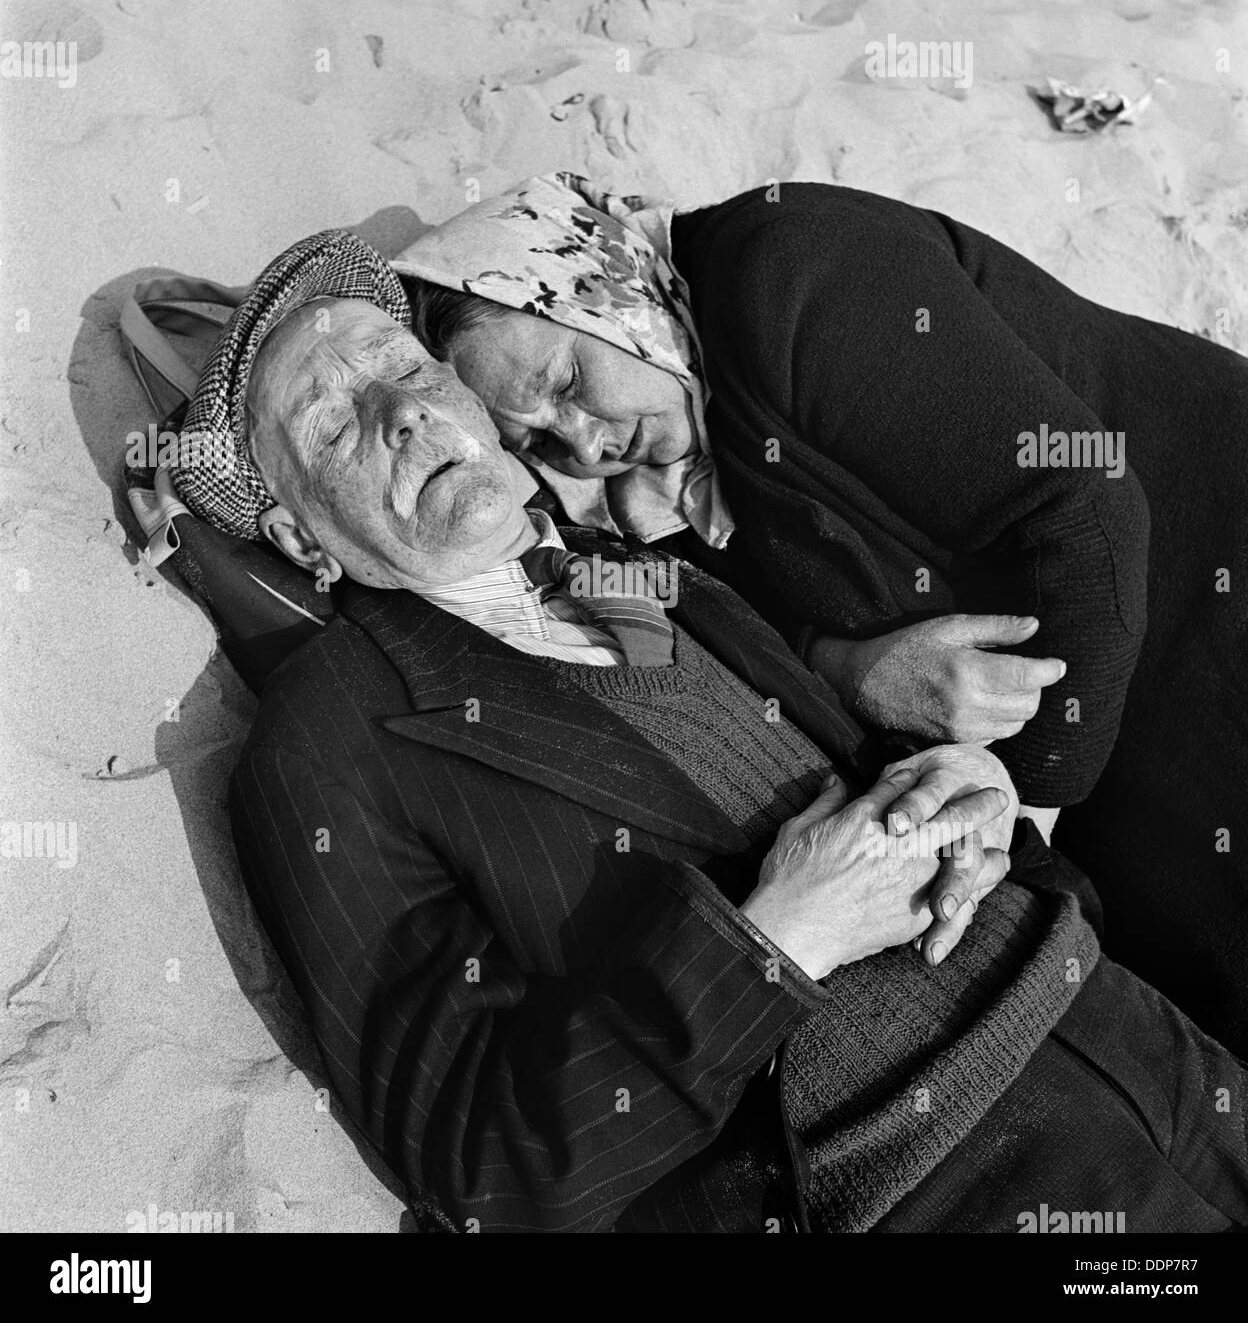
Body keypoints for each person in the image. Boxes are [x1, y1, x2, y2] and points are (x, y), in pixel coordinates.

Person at [168, 230, 1248, 1234]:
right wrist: (775, 941)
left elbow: (873, 776)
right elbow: (482, 1163)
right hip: (943, 1172)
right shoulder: (322, 748)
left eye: (404, 369)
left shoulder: (647, 578)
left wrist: (979, 800)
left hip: (1119, 1023)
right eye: (329, 425)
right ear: (300, 541)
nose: (399, 415)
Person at [394, 173, 1248, 1053]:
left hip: (1200, 563)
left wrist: (1015, 813)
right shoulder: (655, 487)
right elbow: (742, 633)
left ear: (598, 281)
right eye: (535, 436)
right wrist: (852, 669)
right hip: (1079, 693)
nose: (582, 441)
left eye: (568, 378)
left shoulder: (786, 274)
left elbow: (1086, 511)